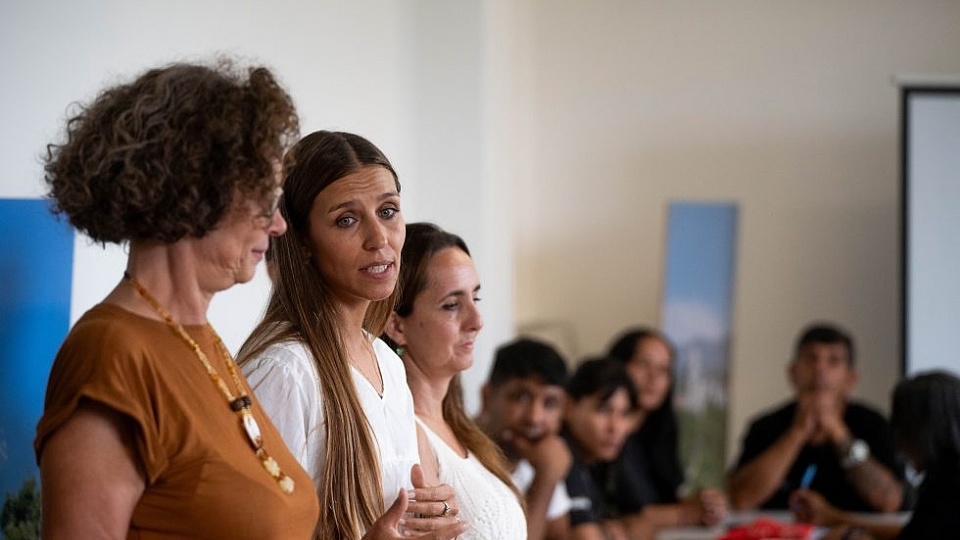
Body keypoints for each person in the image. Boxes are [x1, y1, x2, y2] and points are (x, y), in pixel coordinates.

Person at [33, 59, 320, 538]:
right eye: (267, 199)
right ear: (198, 192)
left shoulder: (201, 341)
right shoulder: (111, 356)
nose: (278, 225)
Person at [237, 132, 466, 540]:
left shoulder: (388, 364)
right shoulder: (285, 372)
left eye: (388, 211)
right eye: (347, 220)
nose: (379, 239)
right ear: (302, 241)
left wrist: (430, 518)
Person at [383, 222, 527, 540]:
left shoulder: (460, 429)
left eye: (476, 298)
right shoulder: (405, 434)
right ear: (396, 325)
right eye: (452, 305)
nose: (477, 321)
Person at [728, 323, 905, 512]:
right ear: (792, 372)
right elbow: (740, 500)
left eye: (833, 361)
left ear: (850, 379)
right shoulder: (764, 426)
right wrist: (797, 433)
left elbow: (890, 501)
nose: (820, 369)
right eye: (811, 359)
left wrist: (840, 434)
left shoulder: (873, 424)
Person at [791, 371, 960, 539]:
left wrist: (851, 537)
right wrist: (837, 520)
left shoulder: (948, 486)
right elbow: (917, 532)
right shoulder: (945, 474)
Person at [603, 327, 726, 527]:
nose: (653, 377)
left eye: (663, 370)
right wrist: (686, 514)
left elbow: (659, 500)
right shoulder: (602, 436)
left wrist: (702, 504)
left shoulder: (658, 433)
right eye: (643, 364)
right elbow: (616, 514)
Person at [477, 337, 574, 540]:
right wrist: (545, 479)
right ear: (487, 397)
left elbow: (560, 536)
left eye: (550, 403)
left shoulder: (539, 455)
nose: (534, 418)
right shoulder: (460, 458)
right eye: (521, 397)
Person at [561, 357, 645, 540]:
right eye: (604, 410)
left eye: (624, 414)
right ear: (569, 407)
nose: (615, 427)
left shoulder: (593, 463)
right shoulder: (561, 455)